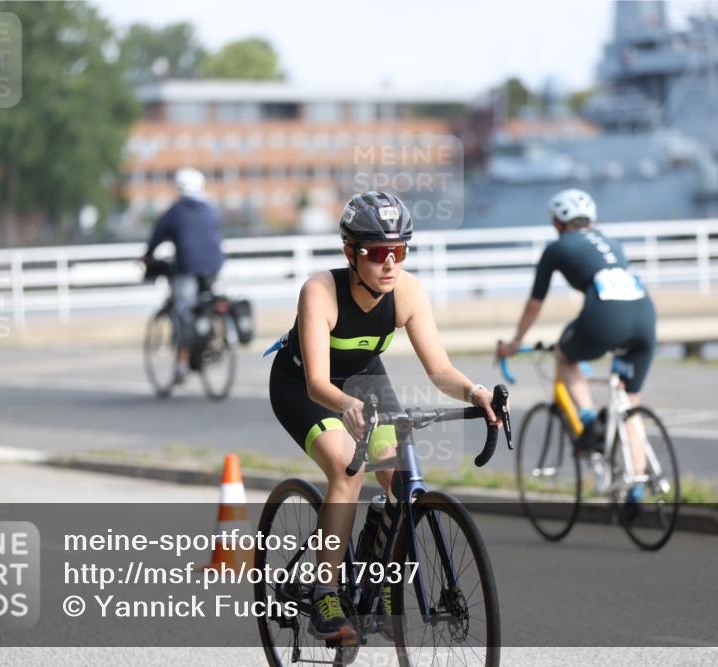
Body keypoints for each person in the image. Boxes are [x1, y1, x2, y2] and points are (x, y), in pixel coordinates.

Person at [267, 191, 500, 641]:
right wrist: (347, 405)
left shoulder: (408, 292)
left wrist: (475, 392)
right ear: (350, 253)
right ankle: (325, 593)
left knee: (404, 485)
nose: (390, 264)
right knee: (346, 471)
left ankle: (382, 583)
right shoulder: (321, 291)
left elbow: (439, 370)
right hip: (305, 386)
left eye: (399, 251)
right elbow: (319, 384)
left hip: (365, 380)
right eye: (377, 253)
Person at [497, 189, 656, 502]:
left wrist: (516, 341)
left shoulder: (557, 248)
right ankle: (636, 486)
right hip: (646, 318)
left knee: (565, 356)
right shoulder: (612, 243)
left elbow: (535, 303)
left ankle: (588, 423)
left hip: (605, 318)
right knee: (630, 403)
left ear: (557, 223)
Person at [143, 168, 225, 380]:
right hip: (214, 267)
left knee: (183, 312)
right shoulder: (210, 209)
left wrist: (148, 255)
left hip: (187, 268)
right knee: (204, 305)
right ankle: (209, 338)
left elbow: (158, 235)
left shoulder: (176, 211)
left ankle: (182, 362)